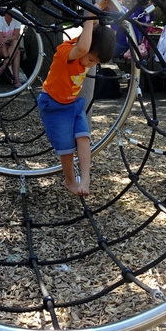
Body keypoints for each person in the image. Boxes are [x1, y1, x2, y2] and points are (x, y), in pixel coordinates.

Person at [37, 11, 115, 197]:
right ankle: (70, 180)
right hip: (54, 105)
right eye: (91, 59)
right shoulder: (68, 52)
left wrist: (100, 7)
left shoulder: (85, 53)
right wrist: (88, 15)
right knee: (66, 148)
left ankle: (85, 177)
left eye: (95, 63)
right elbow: (83, 47)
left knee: (84, 137)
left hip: (72, 104)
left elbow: (95, 32)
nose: (89, 65)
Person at [0, 8, 23, 86]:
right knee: (17, 53)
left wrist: (7, 38)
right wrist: (7, 58)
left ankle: (4, 68)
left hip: (10, 44)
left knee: (16, 44)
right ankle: (16, 80)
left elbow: (16, 36)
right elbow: (0, 40)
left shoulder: (16, 21)